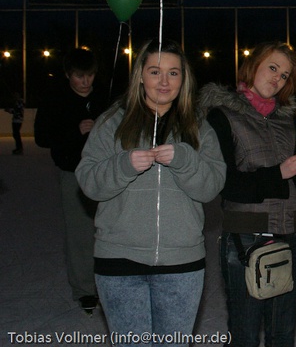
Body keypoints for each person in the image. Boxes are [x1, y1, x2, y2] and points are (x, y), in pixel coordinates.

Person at [75, 39, 226, 342]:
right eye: (155, 71)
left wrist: (184, 159)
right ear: (140, 76)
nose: (164, 81)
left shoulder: (198, 127)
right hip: (119, 263)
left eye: (174, 73)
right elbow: (88, 182)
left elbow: (211, 186)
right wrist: (123, 165)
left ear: (184, 79)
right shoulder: (112, 123)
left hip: (181, 265)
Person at [200, 42, 296, 347]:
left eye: (284, 75)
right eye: (273, 68)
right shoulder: (222, 116)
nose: (277, 78)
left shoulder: (285, 118)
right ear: (253, 66)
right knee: (246, 334)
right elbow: (223, 183)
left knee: (281, 334)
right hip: (244, 240)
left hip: (288, 235)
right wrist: (279, 173)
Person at [34, 48, 107, 314]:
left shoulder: (104, 96)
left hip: (105, 172)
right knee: (80, 233)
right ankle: (85, 289)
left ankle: (107, 282)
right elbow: (42, 136)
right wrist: (74, 130)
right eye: (79, 76)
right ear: (68, 75)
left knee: (109, 230)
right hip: (73, 173)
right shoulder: (55, 99)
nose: (85, 82)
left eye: (90, 75)